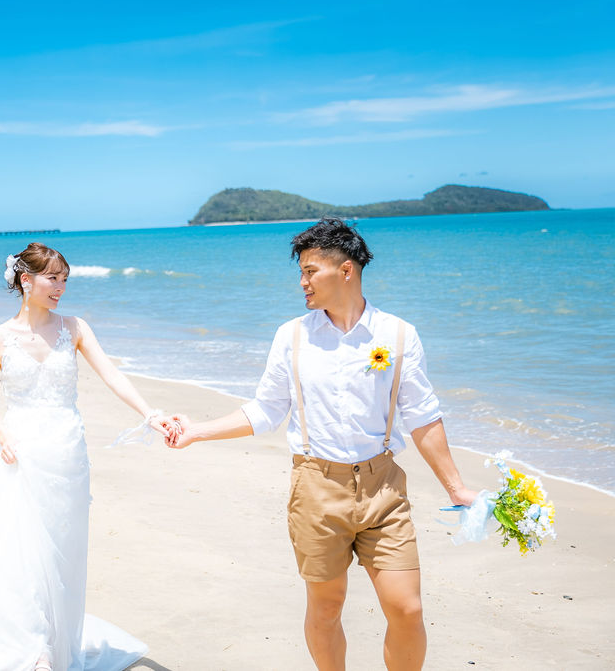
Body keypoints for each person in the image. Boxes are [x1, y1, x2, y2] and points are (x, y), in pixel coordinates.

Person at [165, 218, 477, 670]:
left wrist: (456, 488)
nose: (302, 282)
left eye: (311, 271)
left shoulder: (398, 335)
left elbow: (423, 416)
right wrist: (197, 431)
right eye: (301, 272)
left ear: (346, 270)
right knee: (326, 608)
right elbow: (266, 410)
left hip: (384, 488)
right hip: (315, 487)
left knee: (407, 609)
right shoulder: (292, 335)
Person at [0, 242, 164, 671]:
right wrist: (4, 437)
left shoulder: (75, 327)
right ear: (25, 280)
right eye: (52, 278)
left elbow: (111, 374)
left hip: (68, 455)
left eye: (65, 279)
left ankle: (54, 636)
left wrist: (150, 413)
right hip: (22, 455)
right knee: (23, 551)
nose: (60, 287)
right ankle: (36, 650)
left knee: (61, 552)